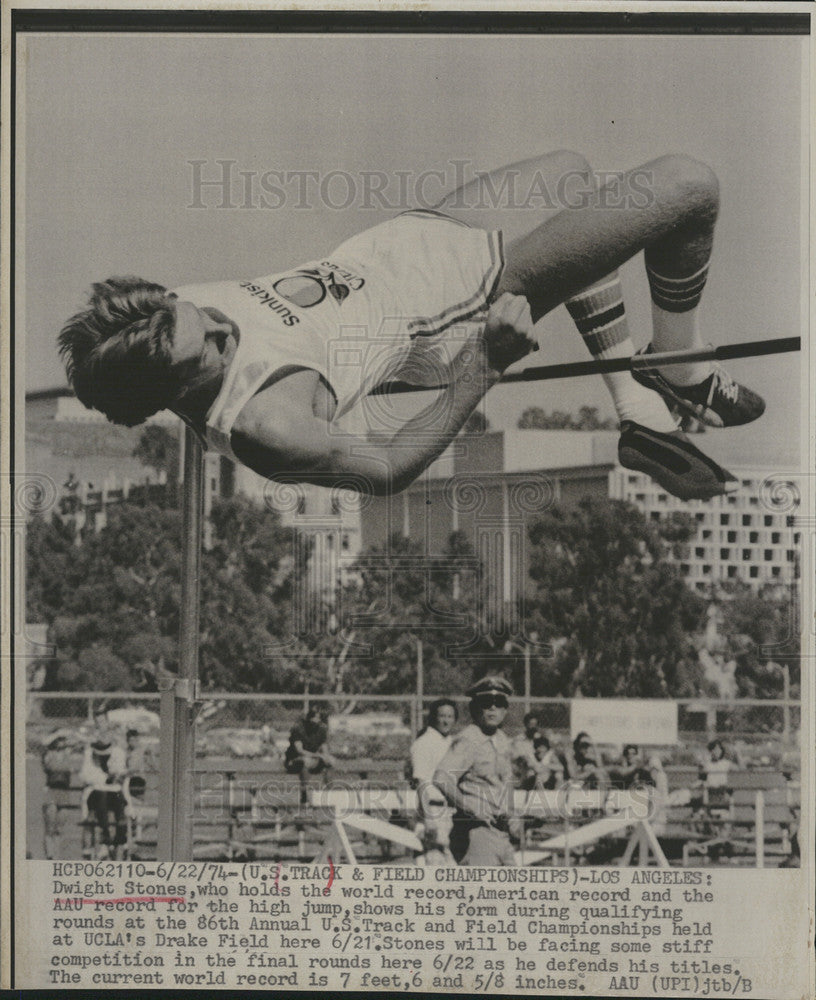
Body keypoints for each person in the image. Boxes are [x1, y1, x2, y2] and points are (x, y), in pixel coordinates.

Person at [59, 151, 765, 502]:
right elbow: (389, 470)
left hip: (406, 242)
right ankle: (680, 367)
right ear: (178, 388)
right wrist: (484, 365)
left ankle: (638, 409)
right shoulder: (267, 425)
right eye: (210, 344)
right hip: (461, 306)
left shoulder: (162, 326)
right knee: (687, 186)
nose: (220, 324)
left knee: (572, 175)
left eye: (199, 313)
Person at [433, 676, 519, 866]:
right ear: (475, 708)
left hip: (502, 832)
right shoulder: (469, 739)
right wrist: (470, 808)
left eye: (499, 703)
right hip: (476, 832)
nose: (492, 708)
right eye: (486, 703)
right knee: (483, 892)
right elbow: (441, 778)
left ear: (505, 710)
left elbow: (507, 781)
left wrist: (512, 815)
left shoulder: (503, 740)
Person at [409, 699, 458, 865]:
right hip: (433, 811)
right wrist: (428, 818)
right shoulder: (424, 743)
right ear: (434, 718)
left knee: (453, 869)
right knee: (434, 868)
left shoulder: (452, 743)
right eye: (442, 716)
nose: (446, 720)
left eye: (450, 716)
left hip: (452, 812)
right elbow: (421, 783)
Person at [78, 735, 128, 858]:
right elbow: (84, 776)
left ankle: (119, 840)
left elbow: (121, 775)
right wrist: (105, 778)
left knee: (119, 804)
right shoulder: (90, 758)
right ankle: (105, 839)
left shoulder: (116, 757)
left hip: (112, 792)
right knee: (101, 797)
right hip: (95, 793)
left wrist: (114, 776)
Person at [284, 705, 334, 790]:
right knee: (305, 761)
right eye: (313, 718)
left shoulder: (321, 729)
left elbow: (324, 747)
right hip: (294, 760)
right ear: (308, 719)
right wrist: (317, 755)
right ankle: (304, 792)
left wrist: (326, 757)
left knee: (330, 761)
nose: (315, 722)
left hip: (313, 759)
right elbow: (299, 750)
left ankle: (329, 790)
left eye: (318, 719)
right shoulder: (298, 728)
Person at [511, 710, 542, 786]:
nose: (533, 727)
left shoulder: (540, 739)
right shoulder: (519, 740)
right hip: (524, 769)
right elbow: (517, 757)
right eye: (531, 724)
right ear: (526, 725)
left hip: (539, 768)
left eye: (535, 725)